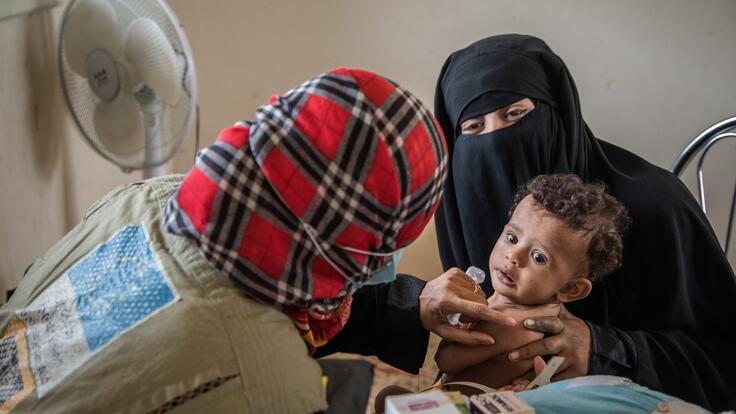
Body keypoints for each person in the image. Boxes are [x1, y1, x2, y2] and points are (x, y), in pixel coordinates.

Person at [0, 68, 453, 413]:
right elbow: (228, 331)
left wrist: (404, 310)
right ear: (361, 243)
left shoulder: (151, 197)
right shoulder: (265, 384)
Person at [433, 33, 736, 411]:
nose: (497, 140)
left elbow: (726, 360)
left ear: (558, 112)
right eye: (474, 128)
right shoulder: (463, 204)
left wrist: (602, 348)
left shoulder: (653, 204)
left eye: (515, 115)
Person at [434, 173, 631, 391]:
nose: (513, 256)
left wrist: (456, 321)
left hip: (459, 405)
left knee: (392, 395)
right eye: (512, 238)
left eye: (538, 257)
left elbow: (445, 360)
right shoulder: (545, 309)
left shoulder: (511, 323)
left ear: (570, 289)